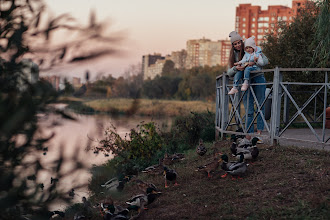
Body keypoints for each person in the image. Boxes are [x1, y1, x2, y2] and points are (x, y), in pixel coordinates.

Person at [227, 31, 268, 142]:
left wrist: (254, 62)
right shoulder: (233, 55)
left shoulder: (251, 47)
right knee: (249, 109)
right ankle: (248, 135)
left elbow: (265, 61)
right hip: (246, 82)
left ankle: (259, 134)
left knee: (260, 106)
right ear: (233, 46)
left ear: (242, 41)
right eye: (234, 44)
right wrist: (236, 68)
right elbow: (229, 72)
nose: (237, 45)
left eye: (238, 42)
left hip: (258, 78)